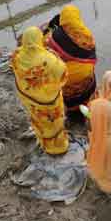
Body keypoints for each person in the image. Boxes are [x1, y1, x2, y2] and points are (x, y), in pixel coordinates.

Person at [12, 26, 69, 155]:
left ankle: (46, 145)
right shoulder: (50, 60)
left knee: (41, 121)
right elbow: (63, 74)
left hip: (32, 100)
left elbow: (16, 73)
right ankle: (60, 146)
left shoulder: (17, 56)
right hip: (50, 99)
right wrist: (54, 55)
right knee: (54, 121)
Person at [45, 5, 97, 112]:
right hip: (86, 77)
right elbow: (90, 55)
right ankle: (86, 106)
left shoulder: (56, 35)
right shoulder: (87, 35)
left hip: (67, 82)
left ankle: (70, 109)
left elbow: (48, 51)